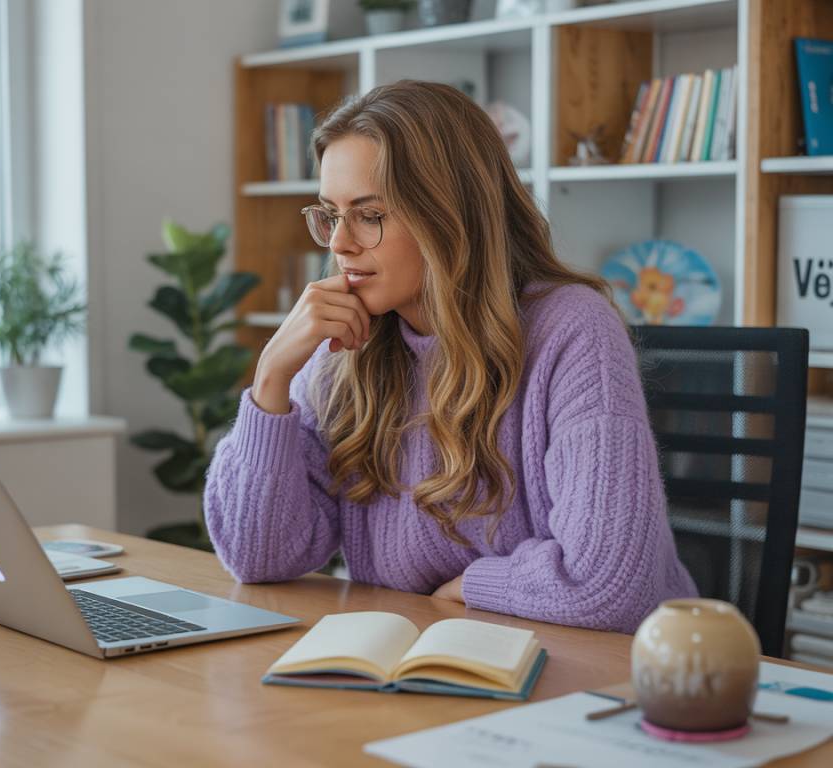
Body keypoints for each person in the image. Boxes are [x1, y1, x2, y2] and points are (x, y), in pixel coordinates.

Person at [204, 80, 696, 633]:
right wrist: (271, 379)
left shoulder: (573, 331)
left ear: (448, 214)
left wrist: (476, 586)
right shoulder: (346, 349)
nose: (339, 244)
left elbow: (610, 587)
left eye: (369, 215)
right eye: (330, 214)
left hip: (593, 671)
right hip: (426, 660)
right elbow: (258, 557)